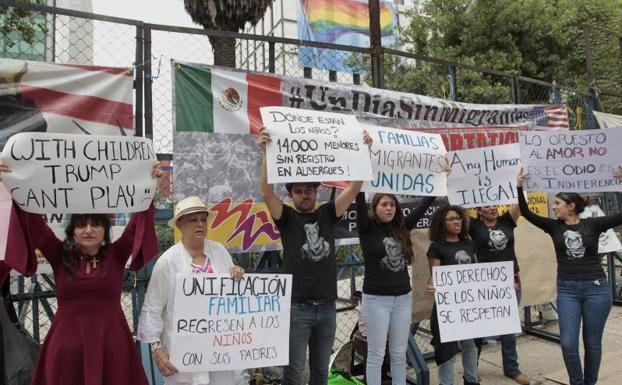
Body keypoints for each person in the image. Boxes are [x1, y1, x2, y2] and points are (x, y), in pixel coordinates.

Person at [0, 160, 161, 385]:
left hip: (112, 344)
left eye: (95, 224)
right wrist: (11, 183)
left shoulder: (116, 253)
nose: (88, 230)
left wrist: (149, 185)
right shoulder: (58, 254)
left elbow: (139, 221)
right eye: (81, 225)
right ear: (72, 231)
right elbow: (33, 222)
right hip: (66, 348)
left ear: (105, 229)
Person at [256, 129, 371, 385]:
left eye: (309, 190)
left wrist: (362, 152)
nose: (305, 194)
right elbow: (265, 191)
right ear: (291, 195)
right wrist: (266, 152)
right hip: (297, 308)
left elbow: (354, 188)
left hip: (328, 309)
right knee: (294, 373)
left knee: (320, 373)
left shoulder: (328, 214)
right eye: (299, 191)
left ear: (316, 193)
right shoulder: (286, 218)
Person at [516, 167, 622, 385]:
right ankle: (577, 381)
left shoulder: (593, 224)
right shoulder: (553, 226)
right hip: (567, 290)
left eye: (557, 204)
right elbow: (526, 213)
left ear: (571, 207)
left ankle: (589, 382)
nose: (553, 207)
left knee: (592, 344)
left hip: (596, 288)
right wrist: (519, 187)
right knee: (568, 343)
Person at [137, 196, 247, 385]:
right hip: (184, 355)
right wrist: (157, 348)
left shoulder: (219, 252)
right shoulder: (167, 262)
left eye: (203, 219)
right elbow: (152, 309)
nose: (200, 224)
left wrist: (237, 276)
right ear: (180, 224)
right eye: (193, 220)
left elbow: (233, 297)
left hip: (220, 350)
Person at [355, 192, 435, 385]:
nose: (389, 208)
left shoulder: (403, 227)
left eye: (392, 204)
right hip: (376, 301)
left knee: (399, 354)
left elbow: (425, 203)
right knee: (376, 354)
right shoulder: (366, 229)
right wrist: (358, 179)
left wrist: (439, 179)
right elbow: (359, 197)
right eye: (384, 204)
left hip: (403, 299)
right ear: (374, 208)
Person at [469, 204, 530, 385]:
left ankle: (512, 369)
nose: (492, 208)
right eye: (487, 206)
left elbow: (520, 202)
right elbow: (455, 207)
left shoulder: (507, 221)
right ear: (478, 210)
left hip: (510, 280)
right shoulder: (473, 225)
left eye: (494, 204)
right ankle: (472, 369)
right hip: (485, 282)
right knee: (479, 327)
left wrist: (520, 183)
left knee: (509, 327)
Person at [426, 203, 480, 385]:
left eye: (458, 218)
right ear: (442, 223)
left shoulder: (469, 243)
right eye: (450, 219)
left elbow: (478, 272)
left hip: (468, 305)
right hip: (447, 308)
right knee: (447, 352)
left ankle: (471, 380)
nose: (456, 222)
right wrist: (431, 286)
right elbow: (433, 277)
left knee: (471, 345)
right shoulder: (436, 247)